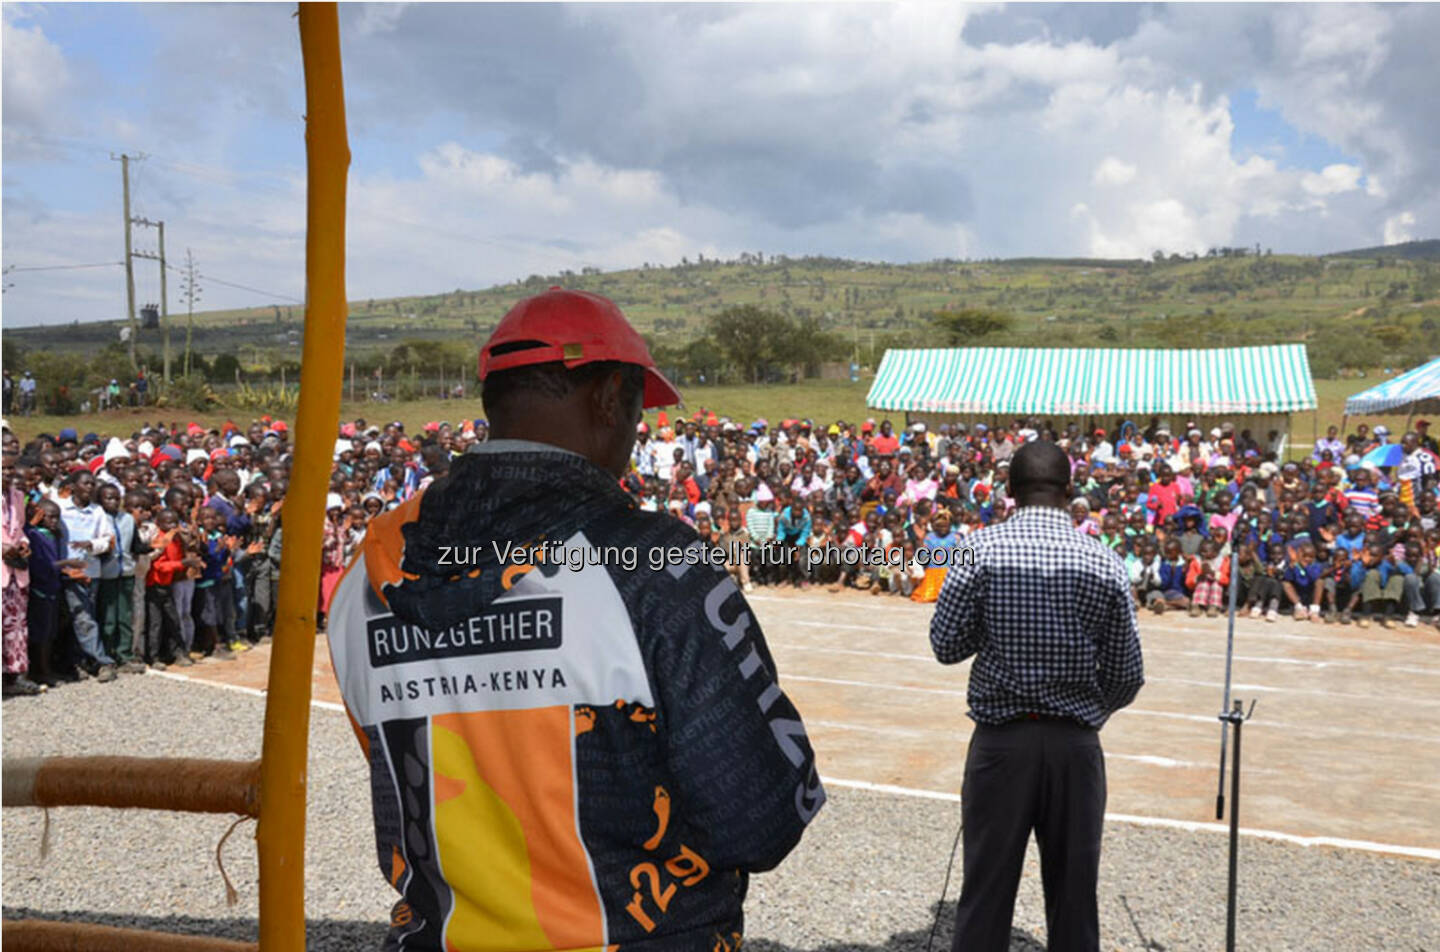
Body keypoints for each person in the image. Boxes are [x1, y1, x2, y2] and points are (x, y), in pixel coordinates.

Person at [327, 288, 822, 952]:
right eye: (639, 409)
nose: (636, 430)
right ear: (610, 399)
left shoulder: (364, 578)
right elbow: (758, 817)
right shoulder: (653, 567)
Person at [930, 439, 1143, 952]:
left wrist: (995, 631)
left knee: (985, 892)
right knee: (1074, 897)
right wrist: (1087, 712)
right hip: (1075, 747)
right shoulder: (1104, 562)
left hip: (1001, 746)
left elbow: (946, 644)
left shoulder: (979, 550)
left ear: (1009, 490)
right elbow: (1126, 674)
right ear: (1071, 492)